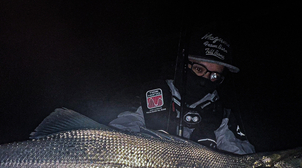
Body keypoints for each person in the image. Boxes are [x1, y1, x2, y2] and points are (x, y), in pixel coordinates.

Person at [109, 28, 255, 155]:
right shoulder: (149, 95)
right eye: (198, 69)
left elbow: (242, 159)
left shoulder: (222, 115)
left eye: (214, 75)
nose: (204, 79)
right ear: (183, 64)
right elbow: (116, 135)